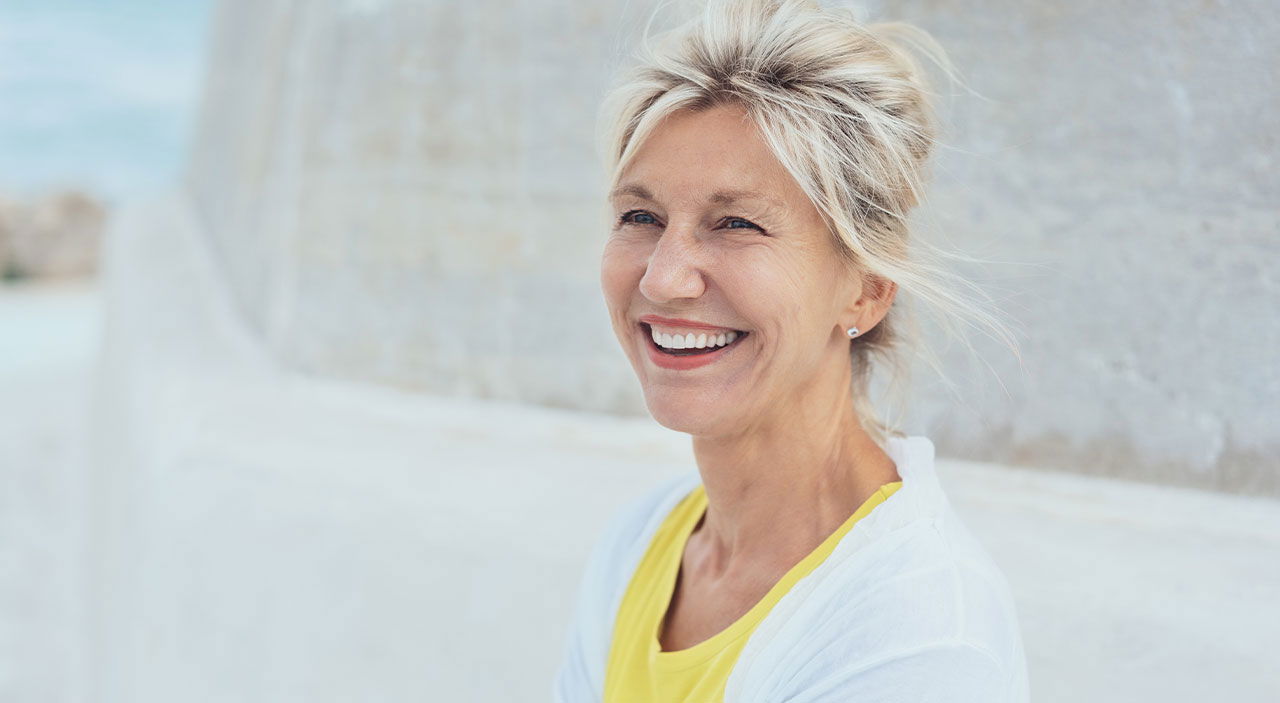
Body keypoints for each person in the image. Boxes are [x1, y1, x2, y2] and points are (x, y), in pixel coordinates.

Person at [555, 0, 1028, 701]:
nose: (662, 278)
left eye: (736, 223)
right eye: (641, 216)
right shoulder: (641, 543)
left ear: (866, 291)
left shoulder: (917, 632)